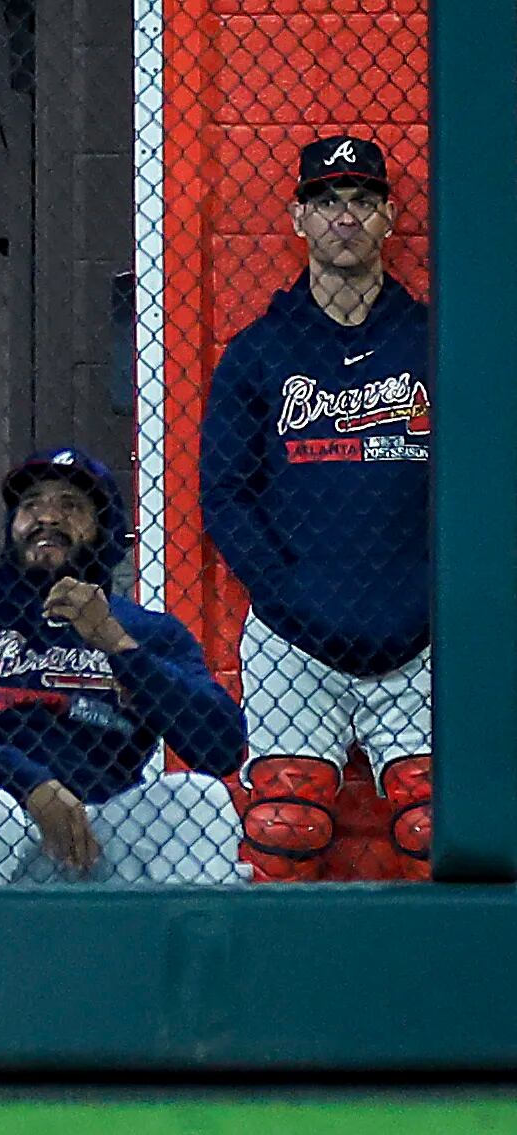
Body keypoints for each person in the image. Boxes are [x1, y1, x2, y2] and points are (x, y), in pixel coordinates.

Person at [201, 135, 431, 881]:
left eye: (363, 201)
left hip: (426, 633)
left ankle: (463, 991)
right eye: (328, 200)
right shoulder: (259, 351)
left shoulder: (438, 343)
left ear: (390, 217)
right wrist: (289, 592)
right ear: (298, 216)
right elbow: (227, 495)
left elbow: (487, 482)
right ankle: (267, 995)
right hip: (295, 636)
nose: (346, 216)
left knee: (443, 826)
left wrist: (437, 590)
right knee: (283, 828)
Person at [0, 448, 246, 887]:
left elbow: (222, 748)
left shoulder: (145, 632)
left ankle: (198, 954)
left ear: (103, 529)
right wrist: (30, 784)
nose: (48, 517)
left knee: (197, 799)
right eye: (31, 503)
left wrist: (117, 645)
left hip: (92, 833)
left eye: (70, 505)